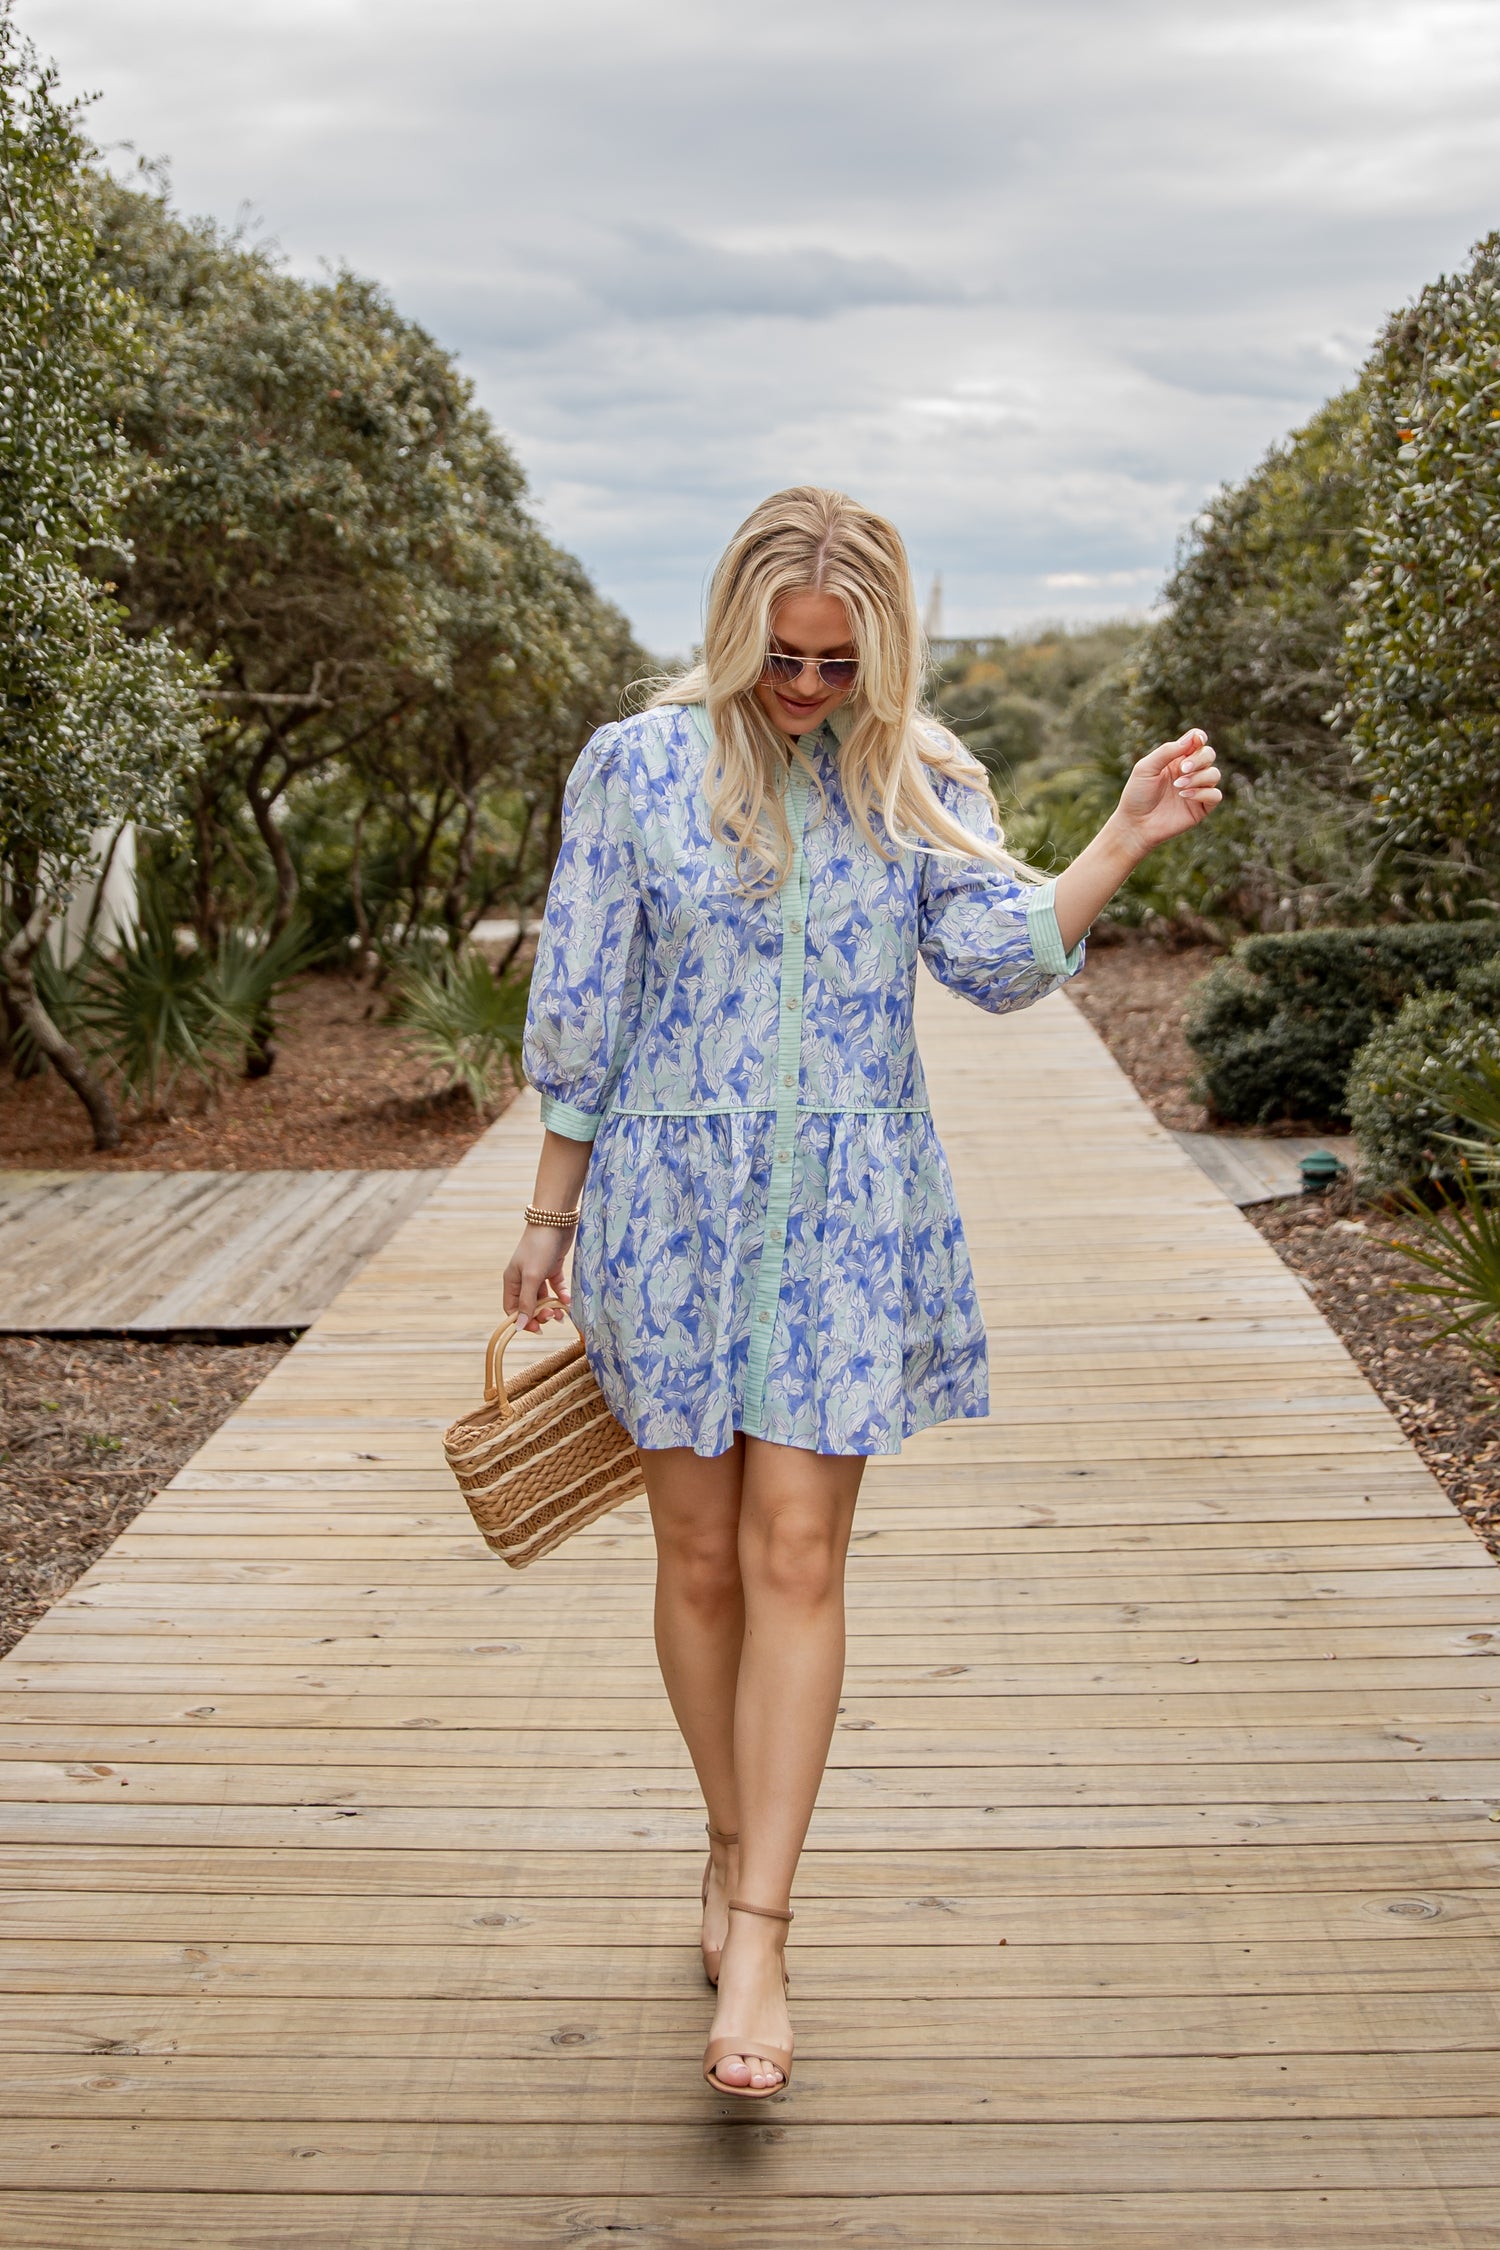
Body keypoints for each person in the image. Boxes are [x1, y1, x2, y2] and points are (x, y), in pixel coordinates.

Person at [504, 486, 1220, 2098]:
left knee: (796, 1551)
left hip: (844, 1213)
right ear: (732, 629)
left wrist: (1117, 839)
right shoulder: (636, 768)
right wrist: (550, 1214)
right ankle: (726, 1834)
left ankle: (759, 1928)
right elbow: (584, 994)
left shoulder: (916, 777)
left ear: (881, 651)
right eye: (785, 658)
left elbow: (998, 959)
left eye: (839, 663)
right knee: (696, 1559)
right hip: (666, 1213)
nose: (810, 689)